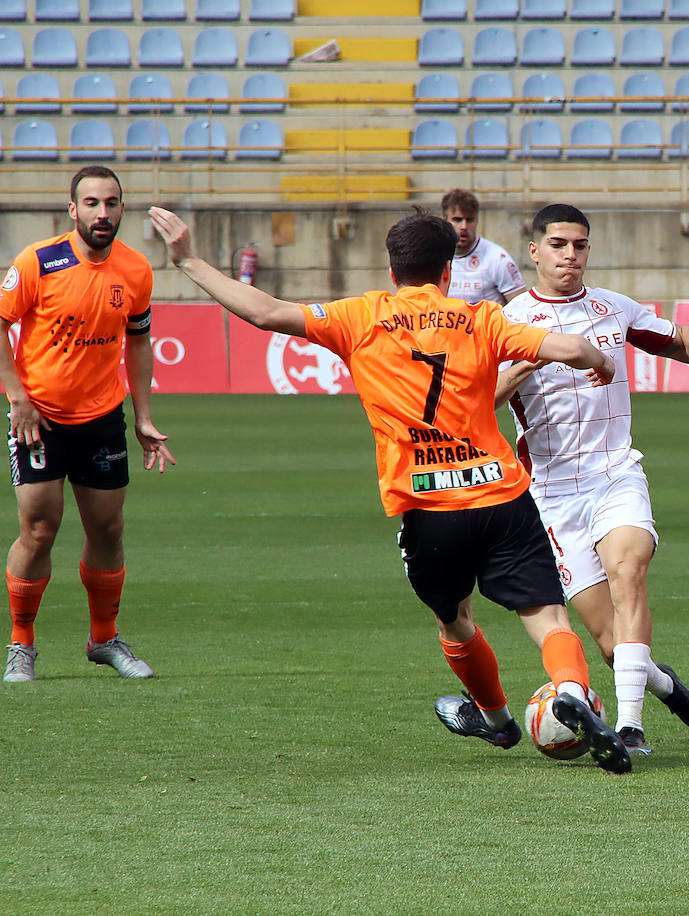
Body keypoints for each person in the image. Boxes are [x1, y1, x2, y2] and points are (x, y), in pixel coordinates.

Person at [148, 205, 635, 775]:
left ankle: (499, 721)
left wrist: (188, 260)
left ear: (391, 268)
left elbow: (265, 312)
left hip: (427, 506)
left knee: (454, 619)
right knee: (549, 616)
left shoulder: (361, 316)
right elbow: (572, 349)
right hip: (502, 495)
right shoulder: (479, 319)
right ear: (448, 270)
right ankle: (572, 689)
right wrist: (599, 359)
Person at [494, 203, 689, 755]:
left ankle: (630, 728)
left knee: (629, 571)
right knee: (610, 643)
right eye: (557, 245)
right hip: (550, 493)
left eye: (579, 245)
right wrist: (536, 358)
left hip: (615, 473)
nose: (569, 255)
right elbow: (477, 402)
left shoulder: (613, 309)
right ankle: (664, 685)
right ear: (534, 251)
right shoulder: (506, 322)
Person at [1, 166, 176, 684]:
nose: (104, 213)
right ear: (72, 209)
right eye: (93, 203)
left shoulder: (136, 270)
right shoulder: (38, 261)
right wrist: (17, 398)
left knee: (108, 529)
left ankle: (103, 639)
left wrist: (142, 416)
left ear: (123, 209)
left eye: (113, 203)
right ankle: (22, 644)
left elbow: (139, 342)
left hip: (102, 419)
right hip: (40, 419)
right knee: (38, 528)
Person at [441, 189, 525, 306]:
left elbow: (521, 308)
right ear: (445, 220)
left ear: (477, 221)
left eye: (470, 220)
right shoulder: (434, 257)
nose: (464, 226)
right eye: (457, 220)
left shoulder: (497, 258)